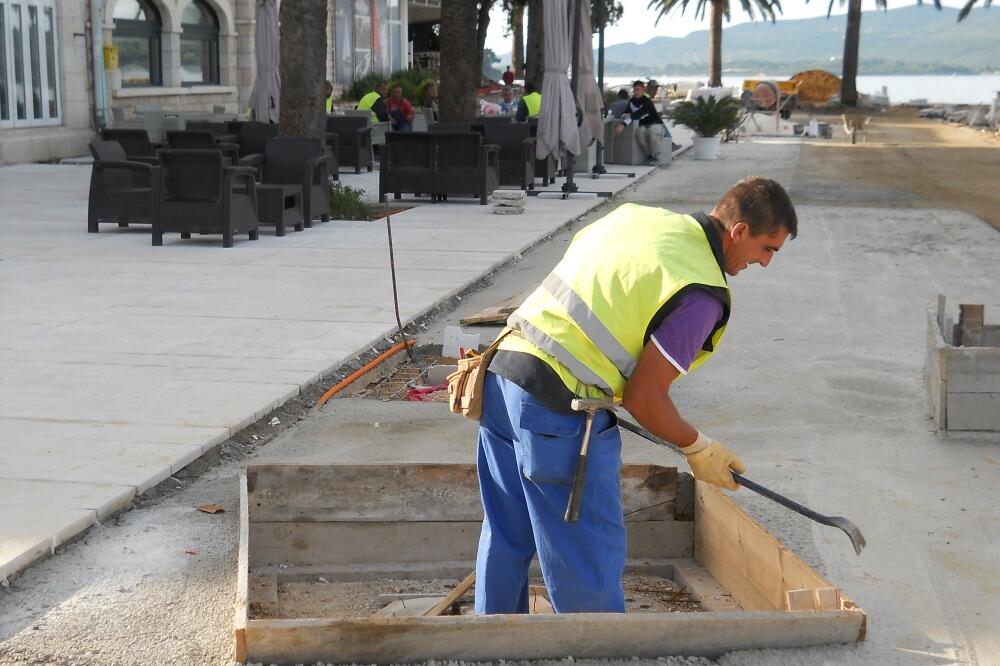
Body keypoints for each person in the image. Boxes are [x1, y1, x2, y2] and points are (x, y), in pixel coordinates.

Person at [473, 177, 798, 615]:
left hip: (501, 378)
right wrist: (697, 446)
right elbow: (644, 399)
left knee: (507, 534)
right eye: (768, 249)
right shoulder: (700, 292)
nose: (765, 263)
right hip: (557, 412)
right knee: (586, 556)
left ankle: (488, 648)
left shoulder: (640, 218)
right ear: (739, 231)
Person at [615, 80, 665, 166]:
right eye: (634, 90)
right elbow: (625, 114)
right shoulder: (631, 102)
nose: (636, 92)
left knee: (652, 133)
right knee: (639, 133)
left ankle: (657, 157)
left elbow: (640, 113)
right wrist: (625, 118)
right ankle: (649, 156)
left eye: (638, 90)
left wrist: (623, 124)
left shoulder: (647, 101)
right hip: (643, 126)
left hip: (656, 124)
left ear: (643, 90)